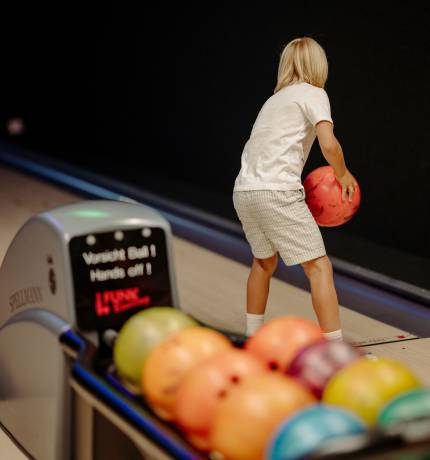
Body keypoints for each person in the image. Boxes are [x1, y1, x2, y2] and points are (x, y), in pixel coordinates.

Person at [233, 37, 357, 340]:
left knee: (263, 263)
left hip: (245, 191)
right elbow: (328, 143)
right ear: (319, 65)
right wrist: (343, 175)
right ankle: (335, 348)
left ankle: (253, 338)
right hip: (277, 192)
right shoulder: (314, 93)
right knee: (319, 267)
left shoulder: (274, 99)